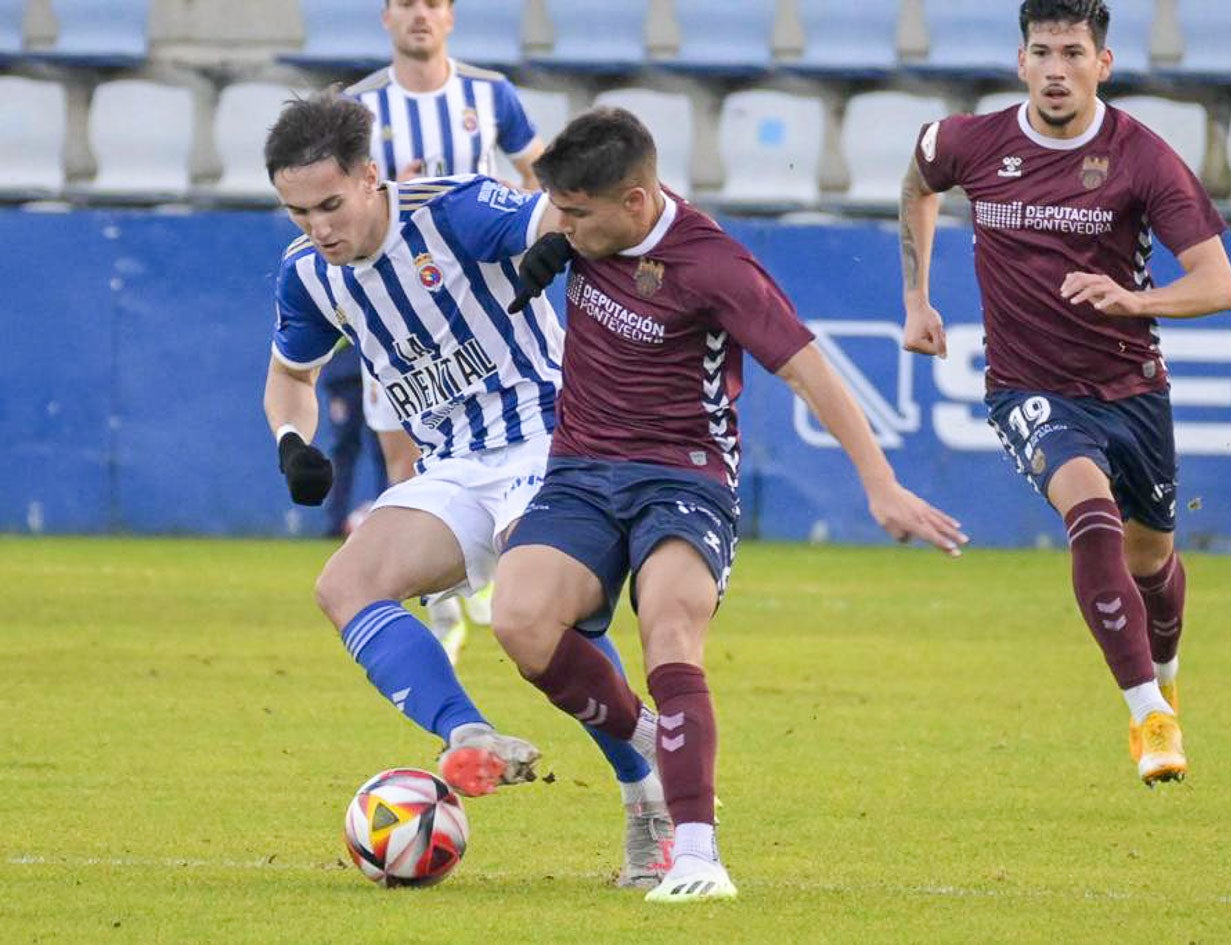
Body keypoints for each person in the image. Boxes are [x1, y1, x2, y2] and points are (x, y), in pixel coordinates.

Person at [489, 107, 969, 903]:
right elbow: (532, 220)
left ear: (636, 202)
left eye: (574, 214)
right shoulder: (587, 231)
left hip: (685, 477)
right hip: (579, 469)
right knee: (518, 619)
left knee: (669, 627)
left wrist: (879, 484)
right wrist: (553, 236)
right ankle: (650, 735)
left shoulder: (715, 267)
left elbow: (811, 372)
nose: (560, 226)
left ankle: (697, 853)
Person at [260, 91, 672, 888]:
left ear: (370, 177)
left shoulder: (450, 209)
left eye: (330, 205)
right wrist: (290, 440)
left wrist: (554, 242)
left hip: (551, 438)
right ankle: (468, 733)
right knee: (344, 583)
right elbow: (289, 377)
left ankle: (644, 789)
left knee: (534, 604)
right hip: (450, 463)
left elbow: (547, 217)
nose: (318, 228)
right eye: (296, 212)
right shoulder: (309, 276)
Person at [898, 0, 1231, 786]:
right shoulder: (970, 141)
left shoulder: (1142, 158)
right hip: (1027, 388)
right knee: (1089, 516)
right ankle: (1148, 716)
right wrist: (916, 298)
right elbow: (918, 178)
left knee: (1151, 560)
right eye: (1042, 52)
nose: (1056, 69)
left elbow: (1218, 285)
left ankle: (1166, 668)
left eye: (1073, 53)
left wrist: (1133, 301)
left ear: (1102, 64)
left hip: (1131, 388)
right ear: (1019, 62)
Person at [345, 0, 549, 653]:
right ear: (385, 18)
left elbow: (536, 170)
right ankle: (440, 603)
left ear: (451, 16)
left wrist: (519, 227)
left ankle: (485, 572)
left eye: (432, 3)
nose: (420, 16)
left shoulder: (489, 93)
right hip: (397, 317)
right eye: (405, 4)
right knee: (405, 460)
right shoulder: (359, 107)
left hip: (475, 307)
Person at [315, 343, 387, 538]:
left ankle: (389, 521)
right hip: (344, 373)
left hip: (377, 370)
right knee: (342, 451)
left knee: (386, 450)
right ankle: (334, 523)